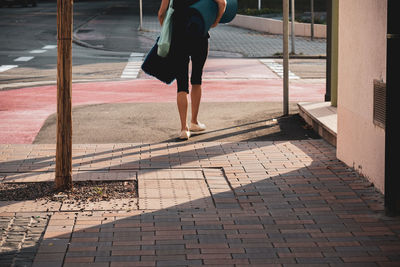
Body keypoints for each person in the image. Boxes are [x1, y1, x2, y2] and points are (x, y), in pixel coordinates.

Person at [158, 0, 227, 140]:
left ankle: (184, 129)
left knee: (181, 84)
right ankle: (194, 122)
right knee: (196, 79)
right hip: (199, 34)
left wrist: (167, 31)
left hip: (178, 36)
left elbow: (161, 13)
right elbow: (223, 3)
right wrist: (215, 21)